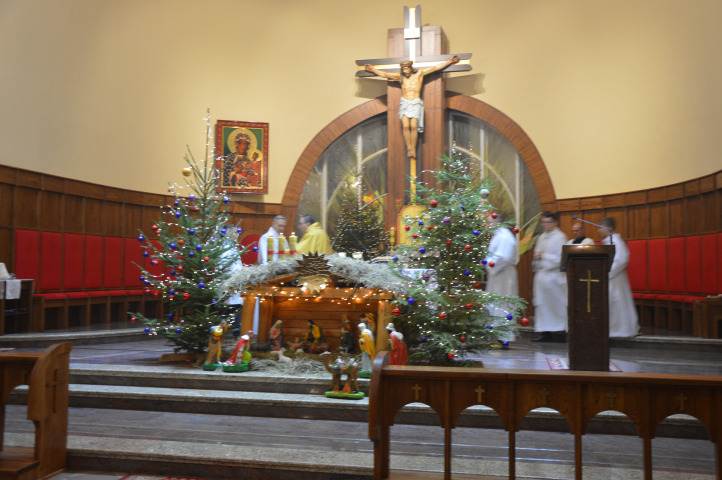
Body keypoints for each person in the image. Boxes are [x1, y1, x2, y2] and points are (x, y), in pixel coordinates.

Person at [365, 56, 459, 160]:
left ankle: (413, 147)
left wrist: (450, 61)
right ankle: (409, 147)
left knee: (413, 127)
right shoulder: (400, 77)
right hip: (405, 103)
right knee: (406, 127)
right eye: (403, 69)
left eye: (406, 68)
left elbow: (435, 68)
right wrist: (372, 69)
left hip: (415, 103)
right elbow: (385, 74)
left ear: (410, 68)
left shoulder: (419, 74)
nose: (405, 71)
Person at [598, 217, 640, 338]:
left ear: (610, 228)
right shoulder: (607, 242)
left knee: (617, 304)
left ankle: (621, 330)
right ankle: (611, 330)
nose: (599, 230)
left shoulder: (616, 241)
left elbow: (621, 260)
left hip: (615, 279)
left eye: (601, 227)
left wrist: (607, 273)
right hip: (610, 278)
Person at [484, 212, 519, 346]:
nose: (488, 225)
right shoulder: (499, 235)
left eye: (490, 222)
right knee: (497, 305)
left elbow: (502, 257)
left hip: (504, 276)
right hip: (499, 276)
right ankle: (499, 337)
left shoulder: (504, 236)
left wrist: (488, 263)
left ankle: (504, 338)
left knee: (503, 306)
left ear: (497, 221)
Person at [532, 211, 568, 342]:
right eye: (543, 223)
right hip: (542, 276)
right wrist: (537, 257)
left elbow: (561, 259)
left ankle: (560, 331)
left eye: (548, 222)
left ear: (555, 223)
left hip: (554, 277)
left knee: (556, 305)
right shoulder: (542, 237)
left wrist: (544, 256)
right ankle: (545, 332)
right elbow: (537, 254)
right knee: (541, 305)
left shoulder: (560, 237)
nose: (545, 225)